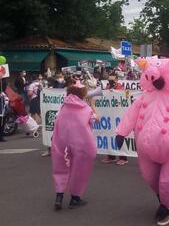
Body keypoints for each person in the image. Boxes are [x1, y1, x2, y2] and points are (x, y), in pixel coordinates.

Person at [116, 57, 169, 225]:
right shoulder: (144, 97)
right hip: (146, 149)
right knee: (151, 178)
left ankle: (166, 207)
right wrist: (121, 132)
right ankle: (164, 199)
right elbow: (131, 114)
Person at [51, 80, 97, 210]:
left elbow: (57, 120)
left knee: (60, 167)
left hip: (61, 141)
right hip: (82, 143)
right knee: (80, 169)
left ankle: (59, 196)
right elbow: (96, 119)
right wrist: (93, 104)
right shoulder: (86, 109)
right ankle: (75, 198)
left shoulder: (63, 107)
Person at [102, 73, 128, 165]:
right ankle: (111, 156)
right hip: (109, 114)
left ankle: (123, 157)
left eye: (112, 80)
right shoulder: (107, 87)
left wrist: (114, 91)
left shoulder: (121, 87)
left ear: (116, 80)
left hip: (119, 114)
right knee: (108, 134)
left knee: (119, 135)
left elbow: (123, 98)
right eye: (109, 80)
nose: (110, 81)